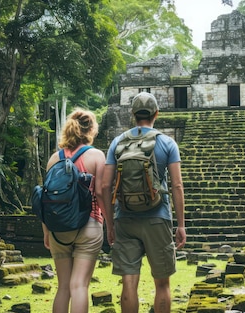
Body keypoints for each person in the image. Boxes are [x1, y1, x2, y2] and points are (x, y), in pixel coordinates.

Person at [101, 92, 186, 313]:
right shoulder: (167, 142)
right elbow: (177, 186)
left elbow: (104, 187)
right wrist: (181, 225)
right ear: (156, 114)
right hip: (158, 218)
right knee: (162, 283)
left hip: (125, 218)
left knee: (129, 282)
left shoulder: (117, 143)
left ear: (133, 115)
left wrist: (110, 225)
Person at [41, 108, 115, 313]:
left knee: (63, 287)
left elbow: (45, 199)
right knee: (79, 285)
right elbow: (101, 193)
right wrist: (110, 225)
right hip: (88, 225)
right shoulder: (96, 156)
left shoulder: (54, 159)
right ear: (91, 130)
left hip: (58, 229)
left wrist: (46, 231)